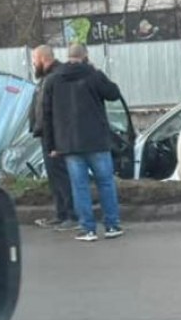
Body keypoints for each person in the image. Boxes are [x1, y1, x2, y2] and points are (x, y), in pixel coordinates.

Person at [41, 43, 123, 242]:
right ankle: (112, 226)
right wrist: (98, 71)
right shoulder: (93, 75)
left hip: (68, 144)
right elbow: (113, 93)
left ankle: (88, 230)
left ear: (68, 56)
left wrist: (52, 145)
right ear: (85, 55)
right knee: (105, 183)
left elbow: (47, 114)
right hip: (96, 141)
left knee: (79, 187)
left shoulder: (53, 80)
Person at [28, 45, 77, 231]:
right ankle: (61, 214)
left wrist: (55, 139)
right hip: (47, 135)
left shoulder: (57, 76)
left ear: (42, 58)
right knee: (55, 177)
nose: (33, 63)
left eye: (34, 59)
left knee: (62, 176)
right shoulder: (47, 77)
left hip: (57, 136)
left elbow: (58, 110)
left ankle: (71, 215)